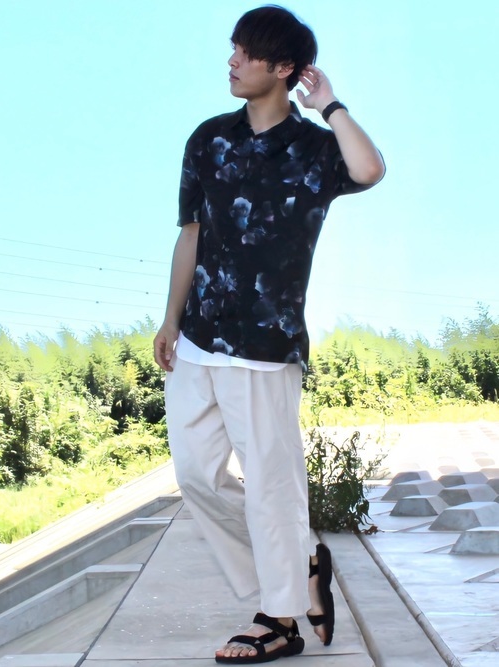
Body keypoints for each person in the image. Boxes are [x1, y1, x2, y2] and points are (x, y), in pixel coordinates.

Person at [153, 5, 385, 663]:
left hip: (266, 346)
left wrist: (330, 105)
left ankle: (278, 619)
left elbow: (370, 170)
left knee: (272, 487)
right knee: (197, 475)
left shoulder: (316, 150)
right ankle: (303, 558)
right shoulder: (208, 140)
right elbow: (191, 233)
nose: (232, 61)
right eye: (233, 49)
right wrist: (170, 317)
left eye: (247, 52)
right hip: (198, 337)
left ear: (284, 67)